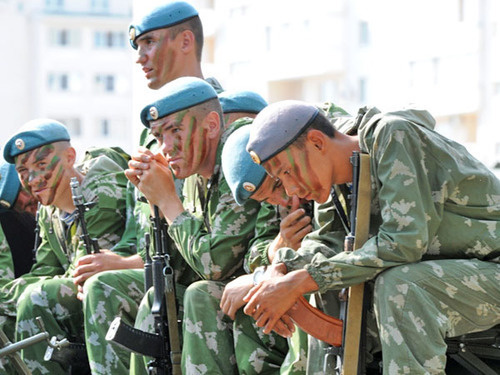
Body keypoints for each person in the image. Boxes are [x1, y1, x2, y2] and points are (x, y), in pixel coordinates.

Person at [240, 100, 500, 374]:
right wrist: (277, 274)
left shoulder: (393, 135)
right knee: (319, 285)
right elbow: (326, 245)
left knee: (401, 286)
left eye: (288, 171)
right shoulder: (338, 178)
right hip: (454, 277)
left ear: (317, 142)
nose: (291, 189)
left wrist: (302, 280)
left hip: (492, 269)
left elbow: (402, 243)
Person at [82, 2, 225, 373]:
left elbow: (223, 232)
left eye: (148, 43)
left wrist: (127, 264)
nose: (140, 58)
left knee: (107, 289)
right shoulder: (151, 134)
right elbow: (142, 232)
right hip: (164, 269)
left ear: (185, 41)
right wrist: (124, 260)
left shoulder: (222, 118)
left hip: (208, 270)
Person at [125, 76, 281, 374]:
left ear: (211, 125)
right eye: (159, 137)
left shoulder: (238, 153)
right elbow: (169, 266)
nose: (166, 147)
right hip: (236, 295)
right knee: (155, 298)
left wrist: (169, 202)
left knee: (199, 294)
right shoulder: (193, 174)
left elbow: (215, 264)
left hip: (264, 294)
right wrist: (153, 200)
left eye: (175, 131)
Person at [1, 119, 130, 375]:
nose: (33, 179)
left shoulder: (99, 196)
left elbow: (79, 275)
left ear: (70, 157)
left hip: (109, 298)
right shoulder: (49, 210)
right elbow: (44, 270)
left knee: (34, 298)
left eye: (40, 164)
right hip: (81, 299)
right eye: (23, 171)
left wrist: (5, 297)